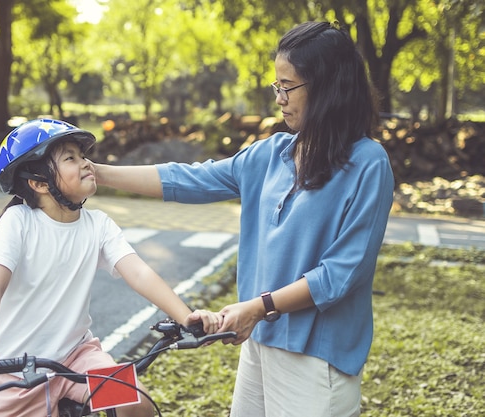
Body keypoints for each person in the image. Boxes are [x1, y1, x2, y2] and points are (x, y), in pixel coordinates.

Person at [92, 21, 395, 417]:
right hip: (260, 344)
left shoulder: (368, 164)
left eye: (287, 86)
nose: (280, 98)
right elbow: (189, 179)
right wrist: (97, 173)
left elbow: (339, 274)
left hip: (316, 360)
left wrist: (257, 307)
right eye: (276, 87)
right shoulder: (271, 154)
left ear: (327, 87)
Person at [0, 118, 222, 417]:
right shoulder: (18, 222)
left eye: (83, 156)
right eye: (70, 158)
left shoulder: (98, 225)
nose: (85, 163)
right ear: (39, 183)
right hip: (14, 373)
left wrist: (186, 317)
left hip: (77, 358)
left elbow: (139, 272)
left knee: (134, 400)